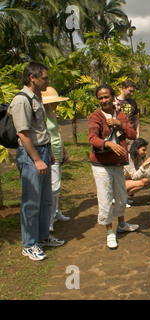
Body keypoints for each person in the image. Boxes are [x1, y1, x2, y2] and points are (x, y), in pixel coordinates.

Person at [8, 61, 65, 261]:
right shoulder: (21, 100)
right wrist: (36, 160)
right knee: (31, 202)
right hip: (30, 154)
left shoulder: (38, 97)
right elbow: (23, 134)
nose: (47, 82)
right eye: (45, 78)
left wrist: (47, 152)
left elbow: (41, 130)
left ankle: (42, 237)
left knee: (45, 199)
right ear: (33, 78)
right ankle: (29, 244)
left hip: (43, 151)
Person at [88, 84, 138, 250]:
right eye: (100, 98)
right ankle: (110, 231)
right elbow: (92, 138)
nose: (103, 100)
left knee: (121, 194)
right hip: (101, 164)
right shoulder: (96, 116)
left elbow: (132, 134)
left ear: (113, 97)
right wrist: (108, 143)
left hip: (118, 162)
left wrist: (120, 124)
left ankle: (122, 224)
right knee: (105, 197)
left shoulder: (122, 116)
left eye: (106, 97)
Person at [42, 87, 71, 232]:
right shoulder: (41, 115)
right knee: (54, 187)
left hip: (57, 153)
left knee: (57, 185)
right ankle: (49, 219)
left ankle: (56, 211)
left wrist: (64, 151)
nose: (56, 104)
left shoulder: (52, 114)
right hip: (49, 154)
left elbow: (57, 135)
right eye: (54, 102)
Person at [124, 138, 150, 207]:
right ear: (136, 149)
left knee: (145, 180)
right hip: (118, 183)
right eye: (143, 150)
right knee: (141, 182)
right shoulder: (128, 158)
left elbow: (143, 175)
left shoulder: (138, 159)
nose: (146, 152)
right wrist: (144, 164)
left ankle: (122, 198)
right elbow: (134, 176)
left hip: (125, 181)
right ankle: (118, 198)